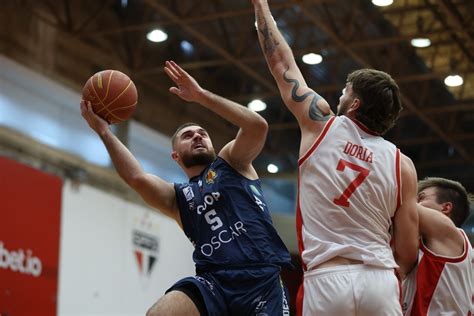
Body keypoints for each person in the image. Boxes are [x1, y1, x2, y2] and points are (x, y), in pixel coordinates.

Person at [80, 60, 292, 316]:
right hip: (214, 282)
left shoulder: (232, 163)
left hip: (261, 282)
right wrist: (103, 132)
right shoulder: (177, 198)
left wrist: (200, 96)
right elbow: (136, 177)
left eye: (202, 132)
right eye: (188, 136)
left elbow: (257, 126)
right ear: (175, 156)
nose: (197, 136)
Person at [251, 1, 419, 315]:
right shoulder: (402, 165)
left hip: (327, 277)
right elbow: (408, 252)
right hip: (379, 280)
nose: (339, 95)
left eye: (345, 90)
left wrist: (261, 6)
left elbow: (280, 63)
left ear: (354, 104)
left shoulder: (321, 123)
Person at [402, 177, 473, 315]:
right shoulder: (448, 246)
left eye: (420, 198)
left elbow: (401, 204)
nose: (415, 202)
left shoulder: (448, 231)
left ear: (446, 208)